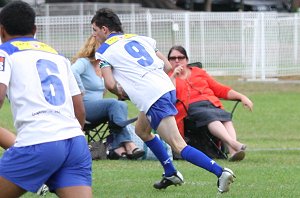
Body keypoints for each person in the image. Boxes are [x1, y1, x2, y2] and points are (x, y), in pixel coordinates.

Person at [91, 8, 236, 193]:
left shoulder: (103, 51)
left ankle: (221, 172)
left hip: (153, 96)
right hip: (166, 87)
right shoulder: (141, 38)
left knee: (178, 144)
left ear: (104, 29)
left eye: (94, 30)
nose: (93, 36)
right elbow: (168, 66)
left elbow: (110, 84)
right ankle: (170, 172)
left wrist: (123, 92)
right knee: (142, 130)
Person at [0, 1, 92, 197]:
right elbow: (80, 110)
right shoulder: (58, 56)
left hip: (38, 141)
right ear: (35, 29)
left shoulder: (5, 52)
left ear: (1, 30)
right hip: (75, 142)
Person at [167, 45, 253, 161]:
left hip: (211, 103)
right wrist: (174, 76)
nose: (177, 61)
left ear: (187, 60)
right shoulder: (168, 77)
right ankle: (233, 143)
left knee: (225, 118)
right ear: (168, 61)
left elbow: (219, 89)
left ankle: (233, 152)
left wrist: (242, 97)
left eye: (180, 57)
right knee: (211, 117)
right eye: (173, 58)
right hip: (189, 109)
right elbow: (170, 96)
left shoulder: (198, 72)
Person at [71, 35, 145, 160]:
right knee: (114, 104)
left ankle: (118, 148)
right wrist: (80, 89)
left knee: (120, 105)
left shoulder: (104, 66)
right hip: (83, 108)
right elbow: (72, 71)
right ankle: (129, 143)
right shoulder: (84, 62)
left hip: (98, 109)